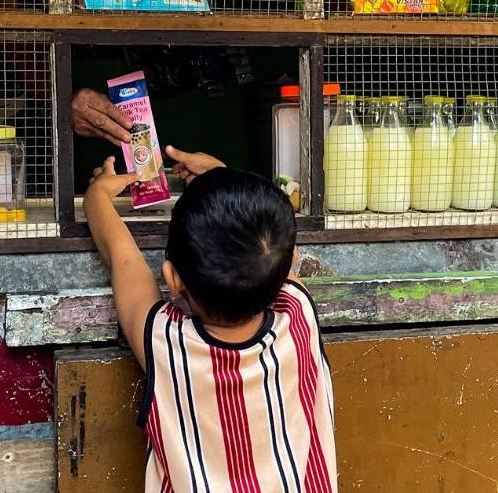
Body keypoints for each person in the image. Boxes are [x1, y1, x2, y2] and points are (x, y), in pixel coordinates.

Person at [85, 146, 337, 492]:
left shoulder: (166, 343)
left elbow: (121, 255)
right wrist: (221, 174)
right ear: (291, 262)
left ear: (172, 279)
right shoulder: (298, 315)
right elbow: (266, 250)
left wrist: (98, 194)